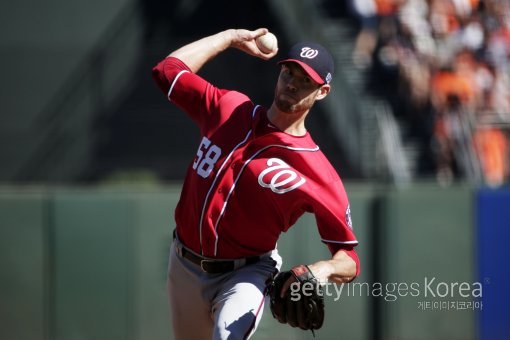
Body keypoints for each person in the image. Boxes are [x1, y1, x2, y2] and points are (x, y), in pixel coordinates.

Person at [152, 28, 360, 340]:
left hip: (247, 273)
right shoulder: (229, 108)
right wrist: (228, 39)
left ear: (323, 92)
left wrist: (321, 271)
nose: (293, 84)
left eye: (306, 81)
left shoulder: (319, 172)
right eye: (290, 72)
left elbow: (349, 259)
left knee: (227, 336)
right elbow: (168, 71)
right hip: (183, 265)